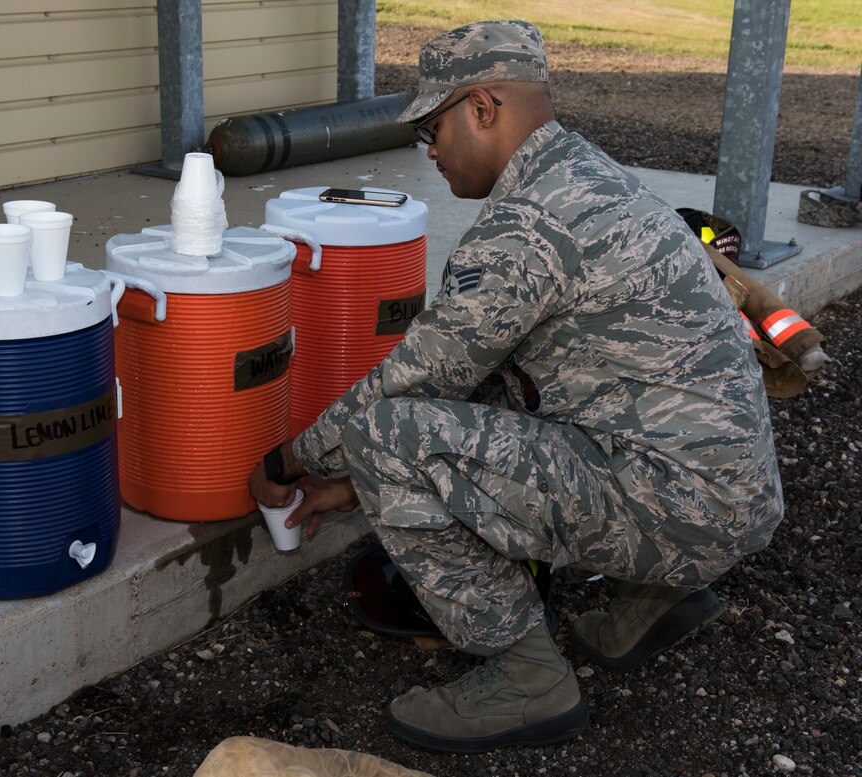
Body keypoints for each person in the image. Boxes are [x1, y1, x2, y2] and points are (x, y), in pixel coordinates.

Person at [249, 20, 783, 754]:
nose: (429, 151)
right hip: (730, 491)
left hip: (681, 505)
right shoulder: (586, 175)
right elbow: (518, 387)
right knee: (471, 420)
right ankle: (650, 600)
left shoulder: (527, 225)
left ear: (483, 107)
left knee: (384, 432)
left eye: (432, 128)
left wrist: (290, 461)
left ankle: (526, 675)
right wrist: (359, 487)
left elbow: (412, 383)